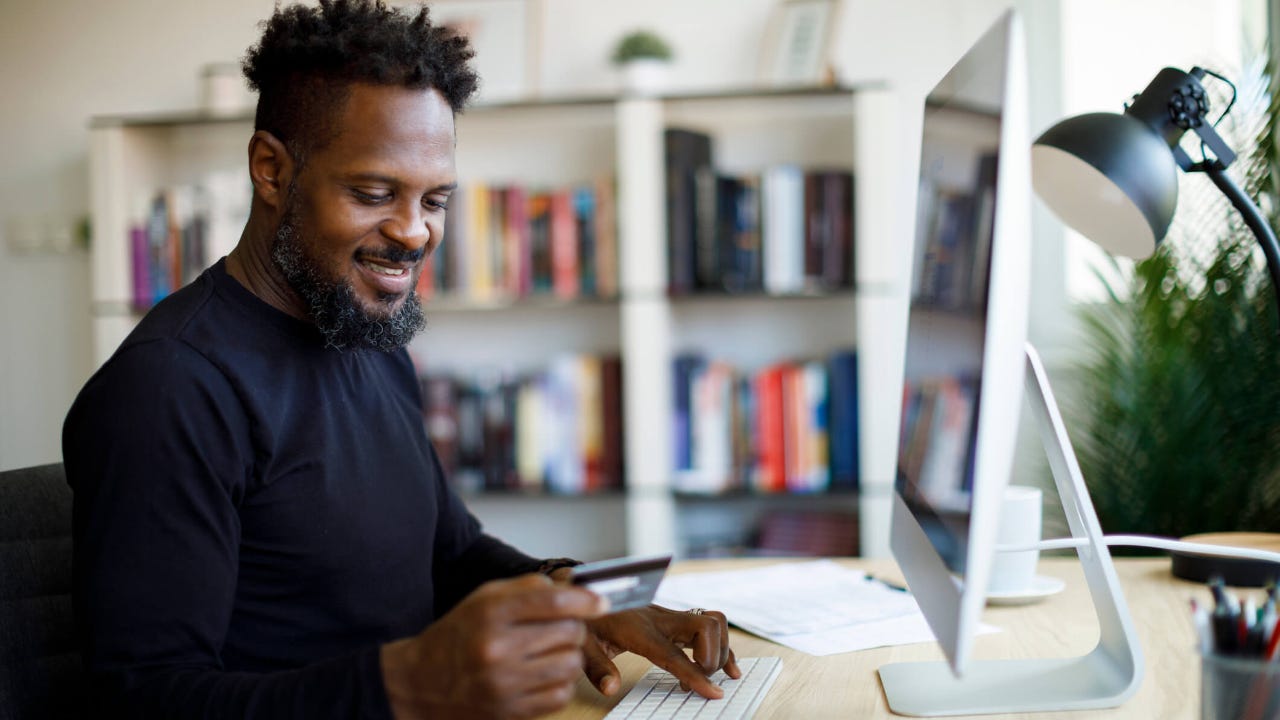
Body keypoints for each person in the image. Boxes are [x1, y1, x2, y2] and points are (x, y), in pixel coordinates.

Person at [62, 1, 739, 717]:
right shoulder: (172, 386)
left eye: (435, 200)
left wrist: (587, 596)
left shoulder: (363, 336)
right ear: (270, 169)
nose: (413, 233)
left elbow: (451, 554)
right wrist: (407, 684)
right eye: (374, 192)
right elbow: (143, 699)